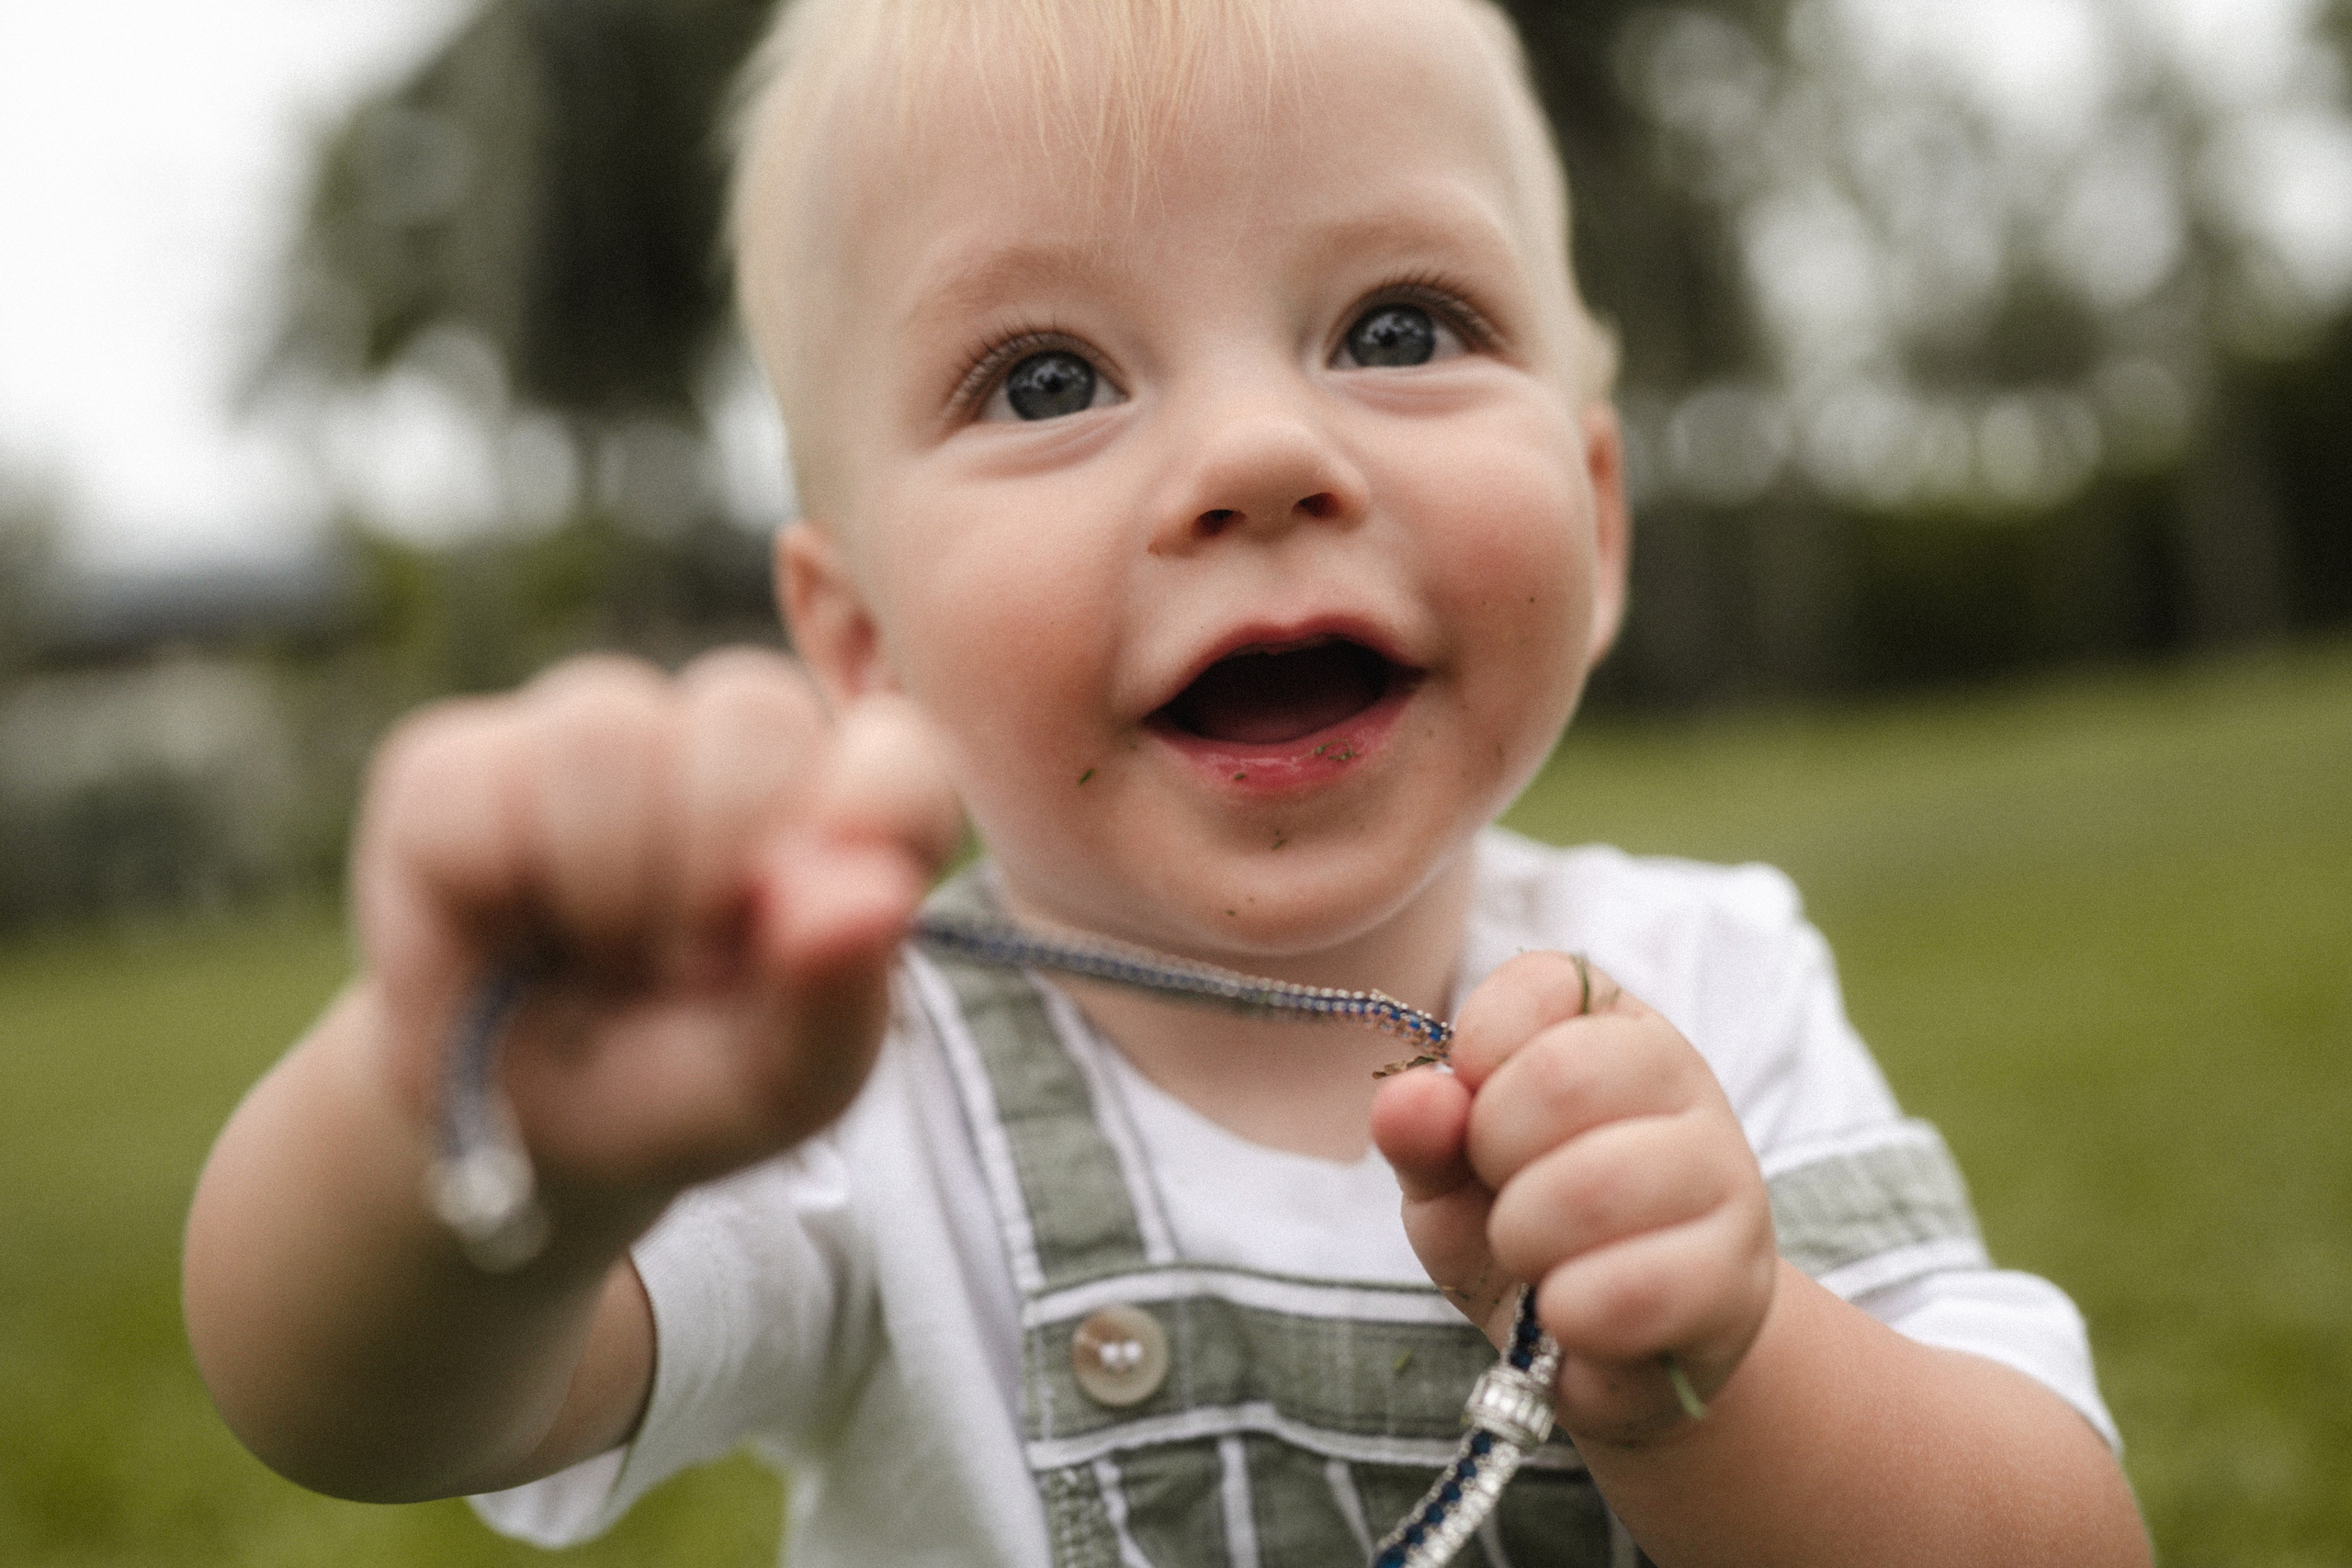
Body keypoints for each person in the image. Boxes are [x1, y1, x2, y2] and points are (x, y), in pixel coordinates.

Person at [183, 0, 2151, 1562]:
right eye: (1047, 379)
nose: (1260, 449)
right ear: (859, 639)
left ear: (1596, 507)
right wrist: (495, 1140)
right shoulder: (846, 1070)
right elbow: (350, 1405)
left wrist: (1730, 1362)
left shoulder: (1702, 985)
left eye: (1398, 327)